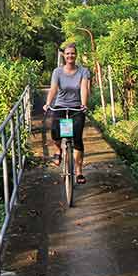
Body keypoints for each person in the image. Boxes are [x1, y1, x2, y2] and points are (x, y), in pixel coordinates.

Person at [43, 42, 91, 184]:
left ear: (76, 55)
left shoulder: (83, 71)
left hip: (77, 107)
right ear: (64, 55)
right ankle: (58, 150)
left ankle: (79, 172)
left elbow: (84, 88)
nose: (70, 56)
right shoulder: (57, 72)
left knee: (77, 138)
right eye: (68, 53)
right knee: (55, 133)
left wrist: (83, 104)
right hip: (60, 106)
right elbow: (53, 89)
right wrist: (47, 103)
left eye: (73, 53)